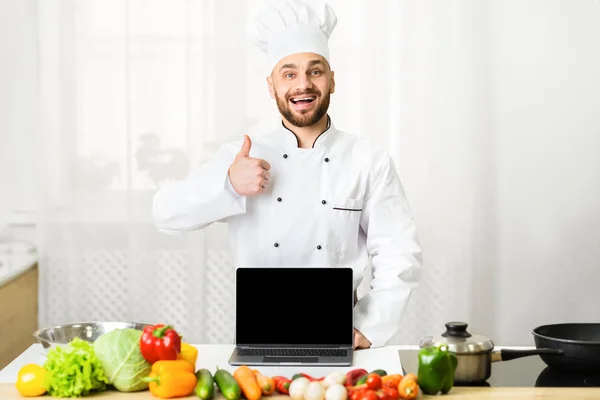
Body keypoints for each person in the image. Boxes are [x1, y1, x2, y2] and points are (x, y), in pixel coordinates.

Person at [152, 0, 422, 349]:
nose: (303, 85)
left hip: (340, 334)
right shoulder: (243, 157)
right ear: (271, 86)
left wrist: (371, 328)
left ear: (332, 80)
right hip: (257, 335)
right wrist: (229, 187)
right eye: (289, 73)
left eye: (315, 70)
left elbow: (398, 252)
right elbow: (165, 214)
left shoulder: (368, 161)